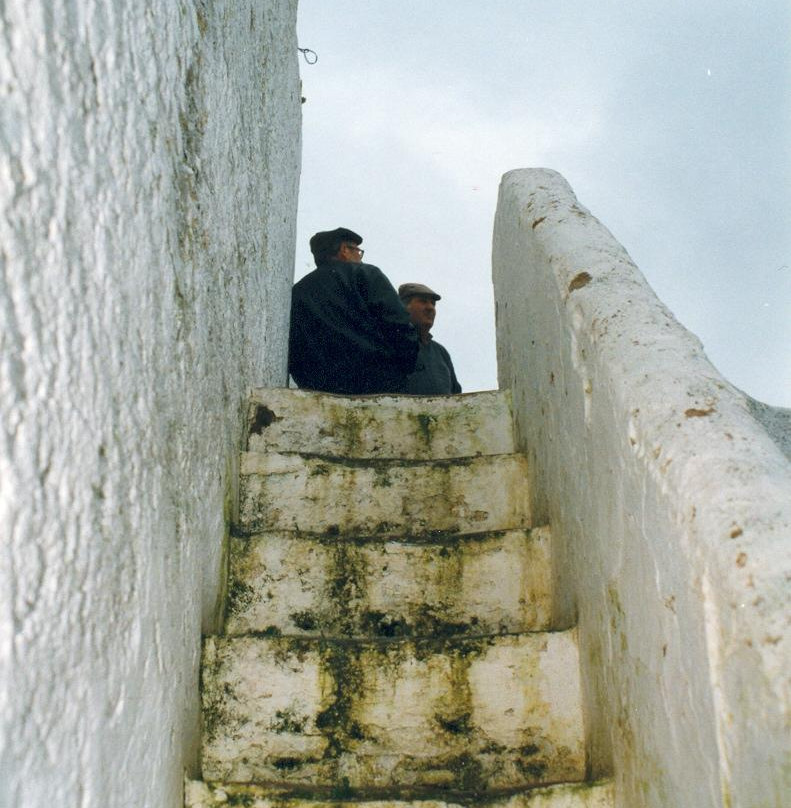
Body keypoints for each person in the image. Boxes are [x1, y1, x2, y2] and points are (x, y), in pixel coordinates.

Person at [288, 227, 419, 394]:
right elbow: (398, 324)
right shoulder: (366, 274)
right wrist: (404, 369)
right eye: (358, 251)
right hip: (377, 386)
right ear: (344, 250)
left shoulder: (298, 291)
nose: (360, 258)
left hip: (321, 391)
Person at [398, 283, 462, 395]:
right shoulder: (391, 345)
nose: (430, 308)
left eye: (433, 303)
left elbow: (456, 395)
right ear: (404, 307)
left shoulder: (440, 352)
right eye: (423, 301)